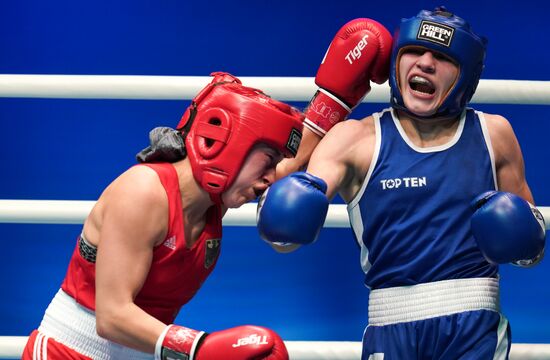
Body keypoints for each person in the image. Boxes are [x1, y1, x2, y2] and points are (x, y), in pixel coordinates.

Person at [258, 7, 546, 359]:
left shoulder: (494, 134)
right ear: (396, 63)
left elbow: (532, 253)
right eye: (414, 52)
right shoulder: (356, 139)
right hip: (390, 325)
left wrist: (522, 235)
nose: (425, 63)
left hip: (475, 327)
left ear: (464, 75)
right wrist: (286, 209)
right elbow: (282, 236)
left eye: (441, 56)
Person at [22, 72, 304, 360]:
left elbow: (295, 159)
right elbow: (112, 317)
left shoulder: (212, 201)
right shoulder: (144, 192)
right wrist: (200, 347)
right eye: (269, 160)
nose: (272, 178)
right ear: (230, 146)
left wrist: (335, 100)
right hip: (68, 352)